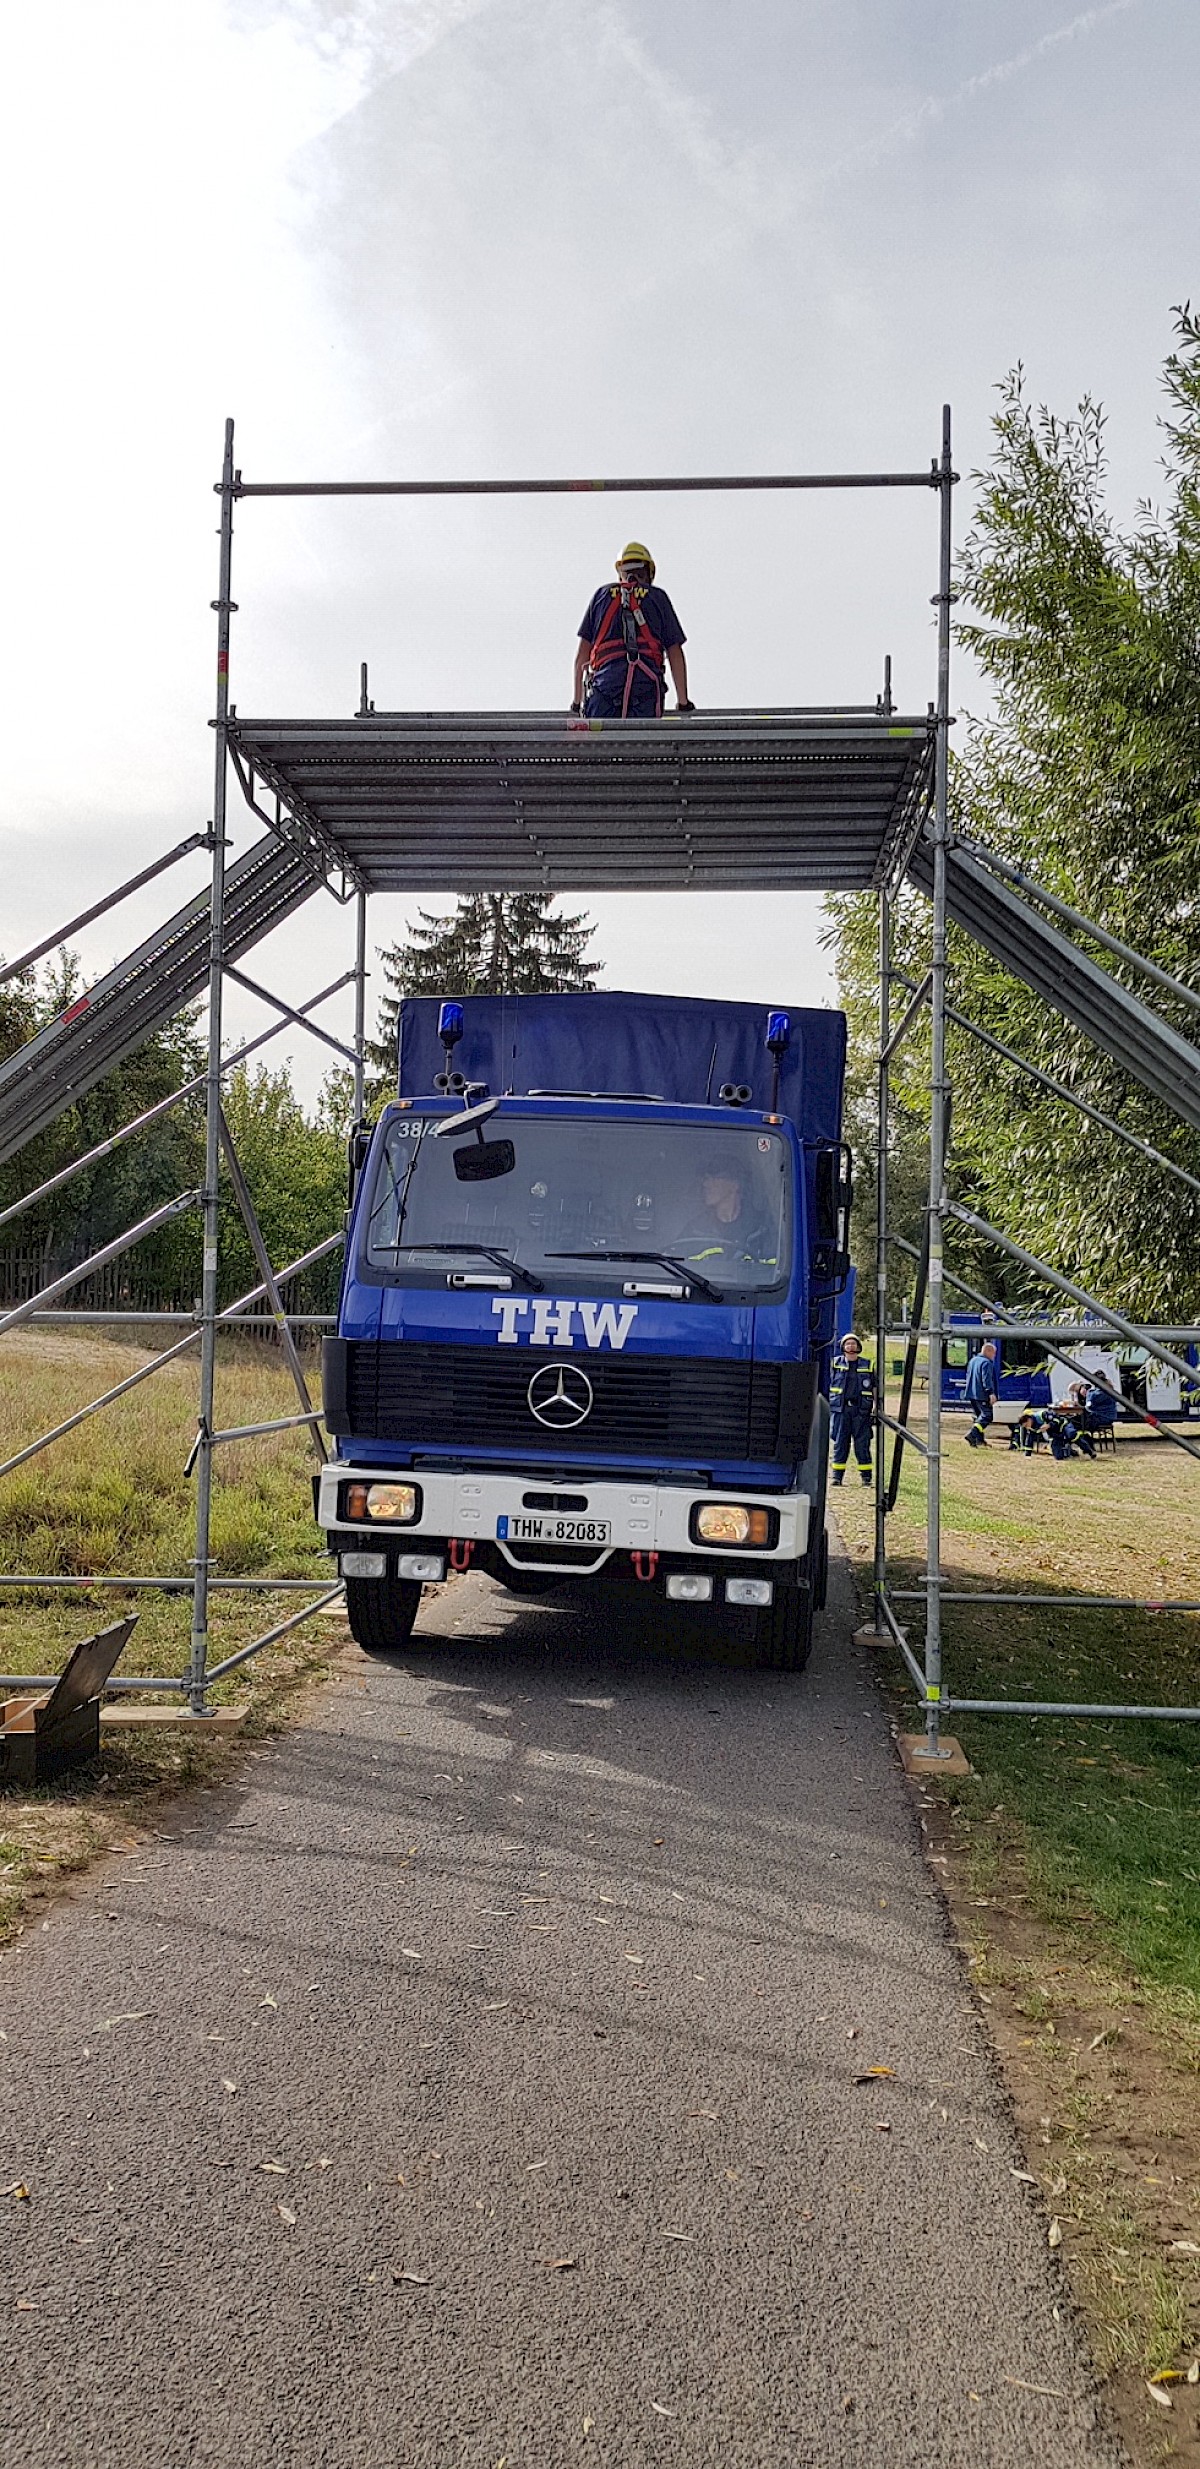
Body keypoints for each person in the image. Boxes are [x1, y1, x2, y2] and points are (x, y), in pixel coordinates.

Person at [573, 544, 692, 720]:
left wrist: (576, 703)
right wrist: (683, 703)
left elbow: (582, 656)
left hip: (605, 686)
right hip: (645, 685)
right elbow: (675, 653)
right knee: (643, 743)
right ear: (649, 572)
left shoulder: (601, 596)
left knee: (600, 743)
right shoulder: (657, 597)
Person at [830, 1334, 876, 1488]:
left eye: (853, 1343)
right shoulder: (835, 1364)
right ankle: (837, 1477)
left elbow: (874, 1388)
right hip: (841, 1410)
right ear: (843, 1347)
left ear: (858, 1347)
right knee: (840, 1444)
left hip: (861, 1411)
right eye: (848, 1344)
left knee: (862, 1445)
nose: (851, 1346)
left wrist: (876, 1408)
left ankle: (866, 1478)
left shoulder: (867, 1365)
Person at [964, 1338, 998, 1447]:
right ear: (988, 1351)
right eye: (994, 1353)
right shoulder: (986, 1363)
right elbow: (986, 1379)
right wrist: (991, 1393)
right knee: (987, 1416)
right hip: (981, 1394)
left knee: (979, 1416)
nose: (994, 1356)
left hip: (971, 1393)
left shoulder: (973, 1360)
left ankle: (979, 1440)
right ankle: (972, 1434)